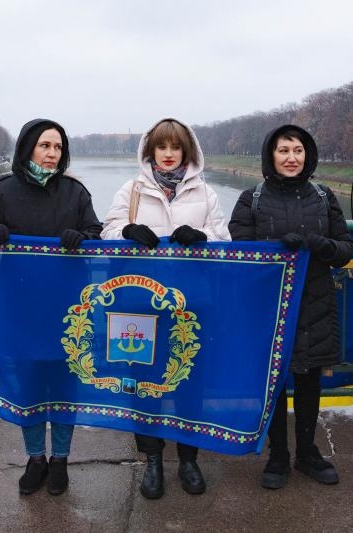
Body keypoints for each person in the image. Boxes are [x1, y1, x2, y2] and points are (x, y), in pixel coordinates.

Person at [101, 117, 230, 499]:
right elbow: (106, 231)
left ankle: (188, 458)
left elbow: (224, 239)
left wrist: (201, 238)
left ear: (186, 152)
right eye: (162, 147)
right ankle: (153, 459)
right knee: (145, 383)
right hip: (141, 305)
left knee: (191, 380)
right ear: (151, 152)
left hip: (192, 305)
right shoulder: (132, 190)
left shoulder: (205, 194)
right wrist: (126, 233)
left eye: (176, 148)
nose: (169, 154)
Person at [0, 118, 102, 496]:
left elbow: (96, 234)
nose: (52, 154)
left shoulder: (75, 193)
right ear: (28, 148)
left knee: (65, 385)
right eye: (45, 146)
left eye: (58, 148)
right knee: (29, 385)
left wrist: (82, 237)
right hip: (20, 308)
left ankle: (60, 459)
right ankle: (35, 458)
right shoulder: (3, 191)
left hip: (68, 311)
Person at [229, 125, 353, 489]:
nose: (291, 158)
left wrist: (317, 243)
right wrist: (276, 247)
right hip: (268, 305)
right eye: (284, 151)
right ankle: (278, 455)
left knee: (310, 378)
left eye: (297, 151)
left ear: (307, 155)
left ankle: (308, 453)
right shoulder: (251, 198)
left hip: (314, 301)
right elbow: (242, 252)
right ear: (271, 155)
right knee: (274, 383)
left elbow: (344, 250)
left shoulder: (323, 195)